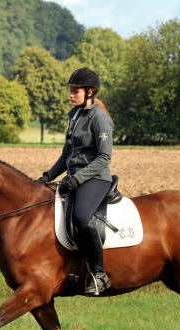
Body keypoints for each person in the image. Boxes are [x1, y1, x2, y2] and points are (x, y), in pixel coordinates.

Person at [37, 67, 113, 295]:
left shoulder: (100, 119)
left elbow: (104, 157)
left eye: (75, 91)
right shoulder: (74, 115)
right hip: (74, 178)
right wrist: (49, 176)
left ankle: (99, 274)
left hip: (95, 179)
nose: (71, 94)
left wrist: (77, 179)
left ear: (90, 92)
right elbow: (66, 154)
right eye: (70, 91)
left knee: (81, 218)